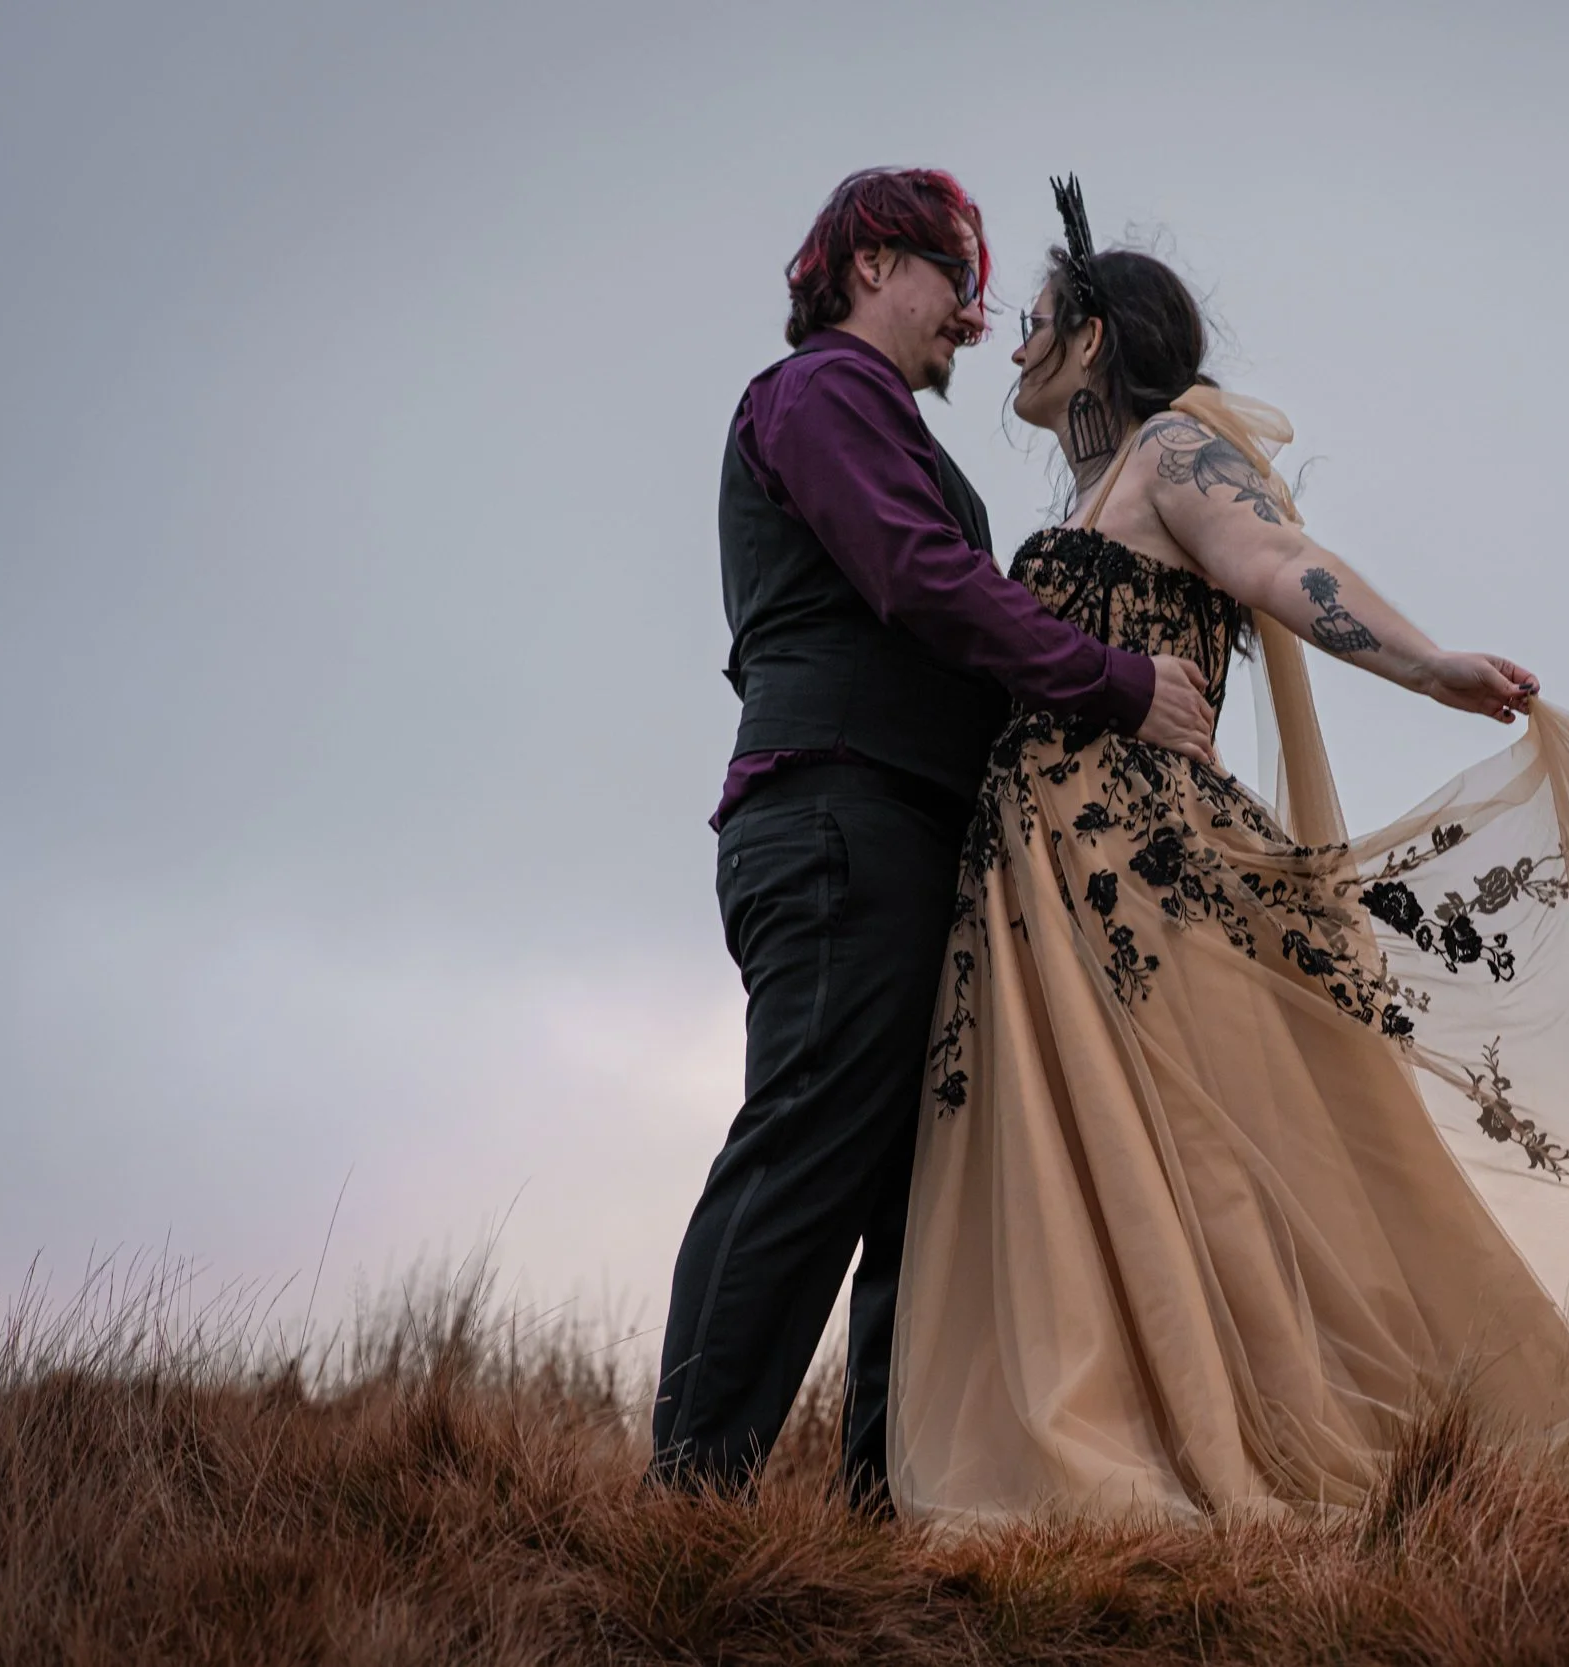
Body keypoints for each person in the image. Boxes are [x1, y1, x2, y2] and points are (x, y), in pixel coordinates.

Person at [884, 180, 1569, 1521]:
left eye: (1042, 319)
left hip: (1135, 860)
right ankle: (1112, 1432)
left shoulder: (1175, 455)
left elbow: (1281, 563)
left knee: (1207, 1156)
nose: (1016, 343)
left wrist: (1428, 663)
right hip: (1035, 871)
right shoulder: (1075, 503)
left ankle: (1248, 1443)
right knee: (1074, 1163)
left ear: (1096, 338)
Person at [651, 167, 1219, 1502]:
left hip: (898, 829)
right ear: (863, 267)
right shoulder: (822, 395)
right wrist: (1123, 682)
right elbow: (922, 577)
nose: (969, 314)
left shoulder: (878, 418)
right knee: (812, 1142)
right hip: (841, 815)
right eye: (946, 280)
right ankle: (688, 1505)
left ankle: (880, 1503)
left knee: (911, 1184)